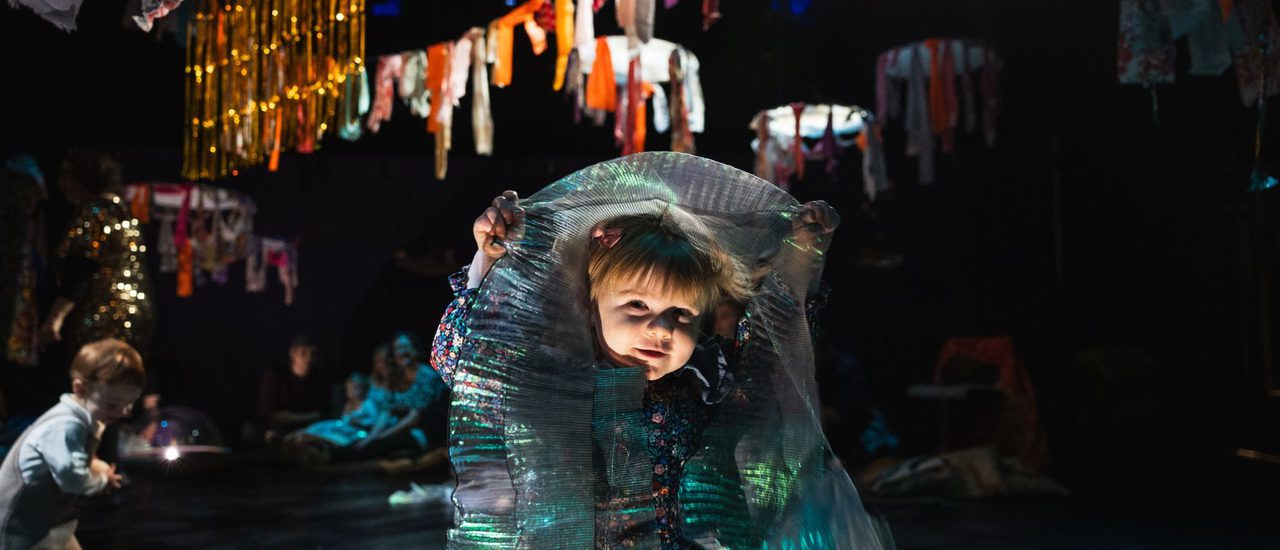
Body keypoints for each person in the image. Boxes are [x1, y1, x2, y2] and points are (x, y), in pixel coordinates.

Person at [429, 153, 891, 548]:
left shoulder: (702, 384)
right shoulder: (549, 381)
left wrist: (797, 258)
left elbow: (771, 360)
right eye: (637, 305)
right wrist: (487, 264)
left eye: (682, 314)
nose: (661, 328)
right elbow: (466, 357)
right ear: (590, 307)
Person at [0, 338, 144, 549]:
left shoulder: (89, 416)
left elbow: (79, 457)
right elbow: (70, 477)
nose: (122, 412)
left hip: (51, 518)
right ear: (80, 389)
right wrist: (102, 481)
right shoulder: (65, 426)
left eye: (129, 404)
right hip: (23, 526)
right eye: (113, 404)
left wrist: (95, 465)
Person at [41, 151, 155, 354]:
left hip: (103, 314)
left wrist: (55, 319)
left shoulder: (94, 211)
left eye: (66, 176)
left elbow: (82, 267)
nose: (60, 183)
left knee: (97, 374)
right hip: (136, 312)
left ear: (82, 179)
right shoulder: (122, 211)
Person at [247, 336, 329, 446]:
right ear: (293, 354)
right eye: (303, 353)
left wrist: (294, 417)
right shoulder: (275, 375)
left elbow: (324, 411)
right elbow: (267, 411)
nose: (308, 359)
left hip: (309, 427)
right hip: (280, 427)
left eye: (312, 354)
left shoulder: (319, 377)